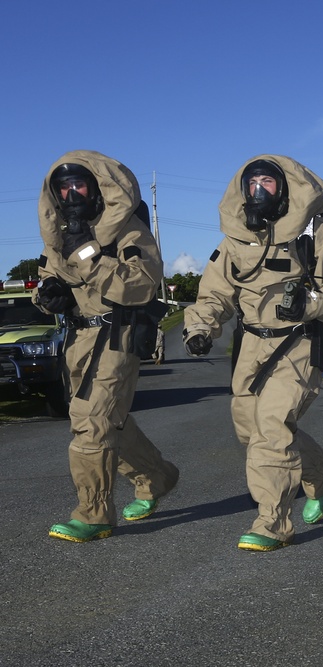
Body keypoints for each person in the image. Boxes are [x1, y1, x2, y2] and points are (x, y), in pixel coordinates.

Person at [183, 155, 323, 552]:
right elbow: (213, 295)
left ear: (285, 190)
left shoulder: (316, 234)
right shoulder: (234, 242)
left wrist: (309, 305)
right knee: (250, 427)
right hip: (252, 346)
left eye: (269, 184)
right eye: (253, 184)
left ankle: (272, 522)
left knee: (272, 426)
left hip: (300, 341)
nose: (259, 192)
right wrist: (199, 329)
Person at [35, 150, 179, 542]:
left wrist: (90, 258)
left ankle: (93, 513)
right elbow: (48, 273)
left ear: (97, 188)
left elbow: (142, 285)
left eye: (79, 184)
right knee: (109, 419)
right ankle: (157, 477)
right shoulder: (61, 236)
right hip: (78, 339)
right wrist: (49, 294)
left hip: (117, 336)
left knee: (92, 422)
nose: (72, 193)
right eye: (63, 188)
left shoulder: (128, 231)